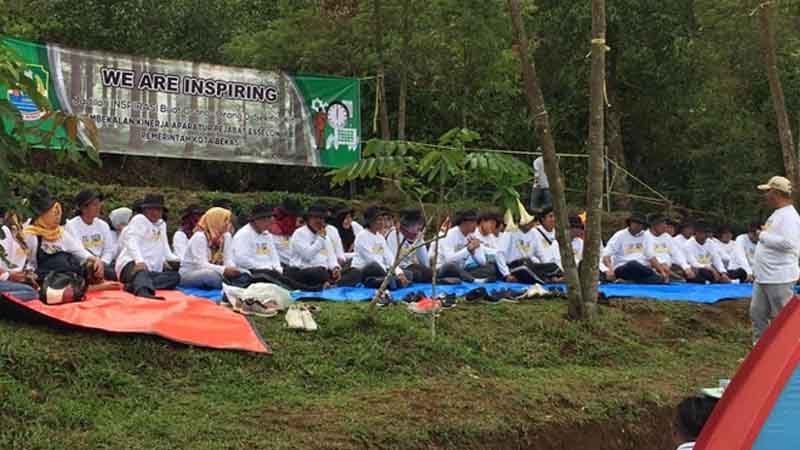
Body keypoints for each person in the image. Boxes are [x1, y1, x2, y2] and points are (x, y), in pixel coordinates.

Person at [751, 176, 800, 343]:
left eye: (768, 191)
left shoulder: (790, 217)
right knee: (757, 314)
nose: (766, 195)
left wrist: (762, 236)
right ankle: (759, 352)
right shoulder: (777, 214)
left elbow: (789, 243)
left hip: (779, 277)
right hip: (764, 275)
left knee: (783, 319)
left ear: (776, 193)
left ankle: (789, 353)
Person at [23, 187, 106, 283]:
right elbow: (29, 263)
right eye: (53, 213)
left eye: (58, 213)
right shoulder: (31, 235)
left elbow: (79, 251)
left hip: (67, 274)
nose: (57, 217)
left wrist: (95, 260)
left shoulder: (60, 233)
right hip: (45, 277)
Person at [116, 194, 181, 299]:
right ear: (145, 210)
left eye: (158, 209)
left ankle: (133, 286)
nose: (154, 212)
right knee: (141, 273)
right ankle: (143, 291)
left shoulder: (162, 225)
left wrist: (179, 261)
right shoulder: (139, 219)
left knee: (175, 277)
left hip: (151, 270)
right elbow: (132, 241)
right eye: (151, 209)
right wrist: (139, 261)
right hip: (132, 264)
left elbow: (166, 251)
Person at [286, 204, 360, 290]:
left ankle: (332, 285)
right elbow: (308, 255)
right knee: (319, 272)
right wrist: (320, 239)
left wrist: (335, 268)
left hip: (325, 271)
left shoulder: (325, 235)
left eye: (322, 218)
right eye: (316, 218)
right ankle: (328, 284)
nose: (319, 221)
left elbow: (331, 256)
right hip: (304, 270)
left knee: (355, 272)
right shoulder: (299, 233)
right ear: (309, 219)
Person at [179, 207, 243, 289]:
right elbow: (201, 265)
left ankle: (230, 284)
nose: (228, 224)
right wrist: (224, 270)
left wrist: (233, 269)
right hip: (191, 273)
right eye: (225, 221)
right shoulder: (199, 237)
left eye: (228, 221)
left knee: (244, 272)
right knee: (211, 276)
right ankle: (230, 285)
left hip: (216, 270)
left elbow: (228, 259)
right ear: (216, 221)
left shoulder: (226, 236)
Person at [64, 190, 117, 280]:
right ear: (83, 208)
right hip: (84, 263)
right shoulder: (71, 226)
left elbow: (109, 250)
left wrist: (102, 263)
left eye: (99, 204)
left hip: (103, 264)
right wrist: (94, 262)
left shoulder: (103, 225)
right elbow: (77, 250)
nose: (99, 207)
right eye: (95, 205)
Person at [351, 206, 406, 288]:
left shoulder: (380, 237)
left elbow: (388, 256)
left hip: (381, 269)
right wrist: (389, 272)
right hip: (364, 270)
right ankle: (390, 281)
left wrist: (399, 272)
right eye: (379, 220)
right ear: (370, 221)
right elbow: (371, 259)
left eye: (383, 220)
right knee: (374, 266)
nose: (382, 222)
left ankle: (389, 281)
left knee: (408, 274)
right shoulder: (362, 236)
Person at [500, 209, 560, 284]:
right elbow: (500, 253)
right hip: (514, 266)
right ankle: (547, 280)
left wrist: (546, 266)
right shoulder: (510, 231)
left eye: (532, 221)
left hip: (529, 264)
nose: (531, 223)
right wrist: (506, 274)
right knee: (525, 268)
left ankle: (552, 278)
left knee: (553, 266)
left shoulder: (533, 233)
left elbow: (541, 254)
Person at [602, 213, 662, 284]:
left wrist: (662, 271)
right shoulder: (620, 235)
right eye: (636, 223)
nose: (638, 226)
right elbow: (606, 255)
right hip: (624, 267)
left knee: (660, 279)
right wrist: (610, 269)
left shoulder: (646, 236)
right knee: (633, 264)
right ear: (630, 223)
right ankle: (649, 276)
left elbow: (651, 256)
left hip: (642, 269)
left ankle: (630, 281)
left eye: (641, 224)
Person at [435, 210, 492, 283]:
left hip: (462, 270)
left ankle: (463, 277)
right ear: (464, 223)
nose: (476, 225)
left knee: (490, 268)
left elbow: (482, 262)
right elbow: (449, 260)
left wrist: (474, 252)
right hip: (443, 268)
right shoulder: (449, 235)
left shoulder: (472, 236)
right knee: (451, 266)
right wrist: (468, 249)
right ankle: (473, 280)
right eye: (473, 222)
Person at [386, 208, 433, 283]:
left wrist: (428, 270)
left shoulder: (418, 236)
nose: (417, 227)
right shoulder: (394, 234)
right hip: (398, 267)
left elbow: (424, 259)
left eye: (418, 224)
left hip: (410, 265)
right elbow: (393, 259)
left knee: (429, 273)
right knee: (416, 275)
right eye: (413, 225)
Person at [0, 209, 37, 301]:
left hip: (12, 279)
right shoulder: (4, 232)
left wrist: (27, 274)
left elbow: (30, 262)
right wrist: (9, 275)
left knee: (33, 292)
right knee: (31, 293)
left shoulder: (28, 233)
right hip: (5, 278)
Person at [645, 214, 694, 283]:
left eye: (665, 223)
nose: (665, 226)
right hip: (654, 266)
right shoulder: (645, 236)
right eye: (662, 224)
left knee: (692, 271)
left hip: (669, 267)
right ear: (654, 225)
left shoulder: (667, 237)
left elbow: (676, 253)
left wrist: (686, 267)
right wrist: (661, 264)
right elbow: (649, 256)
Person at [470, 211, 510, 281]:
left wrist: (507, 274)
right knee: (492, 268)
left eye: (494, 223)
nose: (493, 226)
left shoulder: (491, 236)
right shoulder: (473, 234)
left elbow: (497, 254)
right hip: (473, 266)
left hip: (488, 266)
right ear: (482, 222)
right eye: (491, 223)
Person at [270, 197, 303, 268]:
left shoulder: (297, 230)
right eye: (295, 216)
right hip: (283, 266)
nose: (298, 219)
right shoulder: (273, 231)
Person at [532, 208, 564, 276]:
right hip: (542, 270)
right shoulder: (534, 232)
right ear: (543, 219)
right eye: (550, 216)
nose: (553, 219)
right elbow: (530, 254)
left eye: (555, 216)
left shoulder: (559, 232)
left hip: (558, 270)